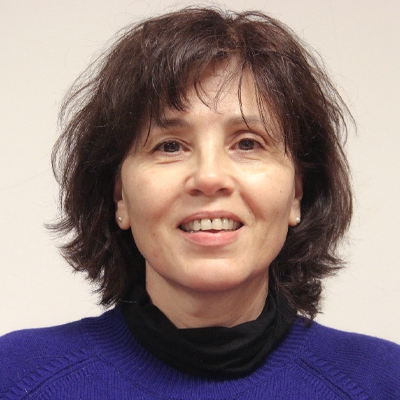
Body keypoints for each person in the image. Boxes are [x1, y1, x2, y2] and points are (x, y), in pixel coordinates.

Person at [0, 7, 399, 399]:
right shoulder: (18, 378)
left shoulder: (382, 382)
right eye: (170, 146)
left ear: (297, 192)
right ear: (119, 195)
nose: (209, 178)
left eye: (248, 143)